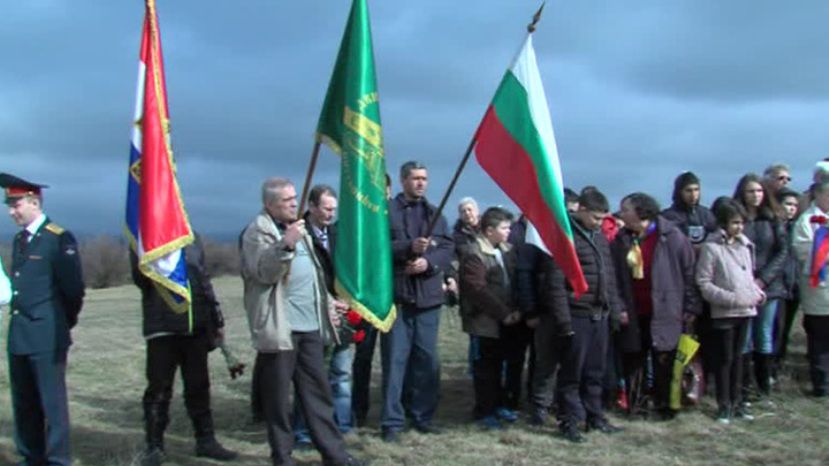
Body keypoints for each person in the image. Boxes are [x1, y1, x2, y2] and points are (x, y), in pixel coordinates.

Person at [240, 177, 362, 466]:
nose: (294, 204)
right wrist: (285, 245)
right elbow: (263, 273)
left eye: (295, 198)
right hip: (281, 329)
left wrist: (328, 303)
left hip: (309, 328)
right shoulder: (257, 232)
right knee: (279, 400)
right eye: (287, 200)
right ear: (269, 204)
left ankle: (335, 456)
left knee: (318, 395)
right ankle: (283, 457)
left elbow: (313, 276)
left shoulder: (300, 229)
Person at [131, 234, 238, 465]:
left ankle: (206, 441)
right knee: (159, 389)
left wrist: (216, 318)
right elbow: (141, 279)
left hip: (195, 326)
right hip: (162, 328)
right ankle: (154, 446)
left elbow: (203, 278)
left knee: (199, 387)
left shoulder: (192, 238)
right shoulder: (145, 236)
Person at [1, 173, 85, 466]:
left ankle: (58, 460)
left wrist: (60, 323)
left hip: (47, 335)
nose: (11, 211)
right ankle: (30, 458)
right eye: (8, 205)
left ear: (34, 202)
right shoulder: (19, 241)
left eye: (16, 204)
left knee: (52, 405)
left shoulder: (58, 238)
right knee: (24, 404)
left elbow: (73, 291)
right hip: (20, 335)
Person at [543, 188, 625, 442]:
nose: (600, 223)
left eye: (603, 219)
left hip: (599, 314)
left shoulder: (600, 238)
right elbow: (556, 283)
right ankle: (568, 421)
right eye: (595, 218)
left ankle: (594, 416)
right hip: (576, 314)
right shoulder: (565, 237)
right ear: (582, 210)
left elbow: (608, 276)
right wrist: (564, 320)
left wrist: (614, 309)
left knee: (595, 372)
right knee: (571, 373)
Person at [381, 161, 453, 442]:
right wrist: (407, 249)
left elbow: (447, 248)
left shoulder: (435, 214)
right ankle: (392, 422)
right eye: (415, 178)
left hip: (428, 300)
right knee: (395, 362)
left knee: (426, 361)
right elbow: (376, 247)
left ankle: (423, 416)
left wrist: (428, 263)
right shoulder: (387, 213)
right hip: (398, 300)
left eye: (424, 178)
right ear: (402, 180)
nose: (421, 183)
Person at [612, 192, 701, 420]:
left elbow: (689, 272)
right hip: (633, 311)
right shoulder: (622, 240)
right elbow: (613, 278)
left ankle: (665, 405)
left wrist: (690, 306)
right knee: (634, 360)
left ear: (641, 212)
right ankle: (637, 405)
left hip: (666, 309)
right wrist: (619, 306)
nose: (621, 214)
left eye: (626, 209)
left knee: (665, 361)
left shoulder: (671, 237)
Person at [293, 184, 354, 447]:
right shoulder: (299, 234)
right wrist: (326, 301)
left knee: (341, 374)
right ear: (312, 207)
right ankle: (304, 431)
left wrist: (345, 300)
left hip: (341, 314)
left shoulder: (338, 233)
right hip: (312, 315)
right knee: (311, 377)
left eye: (334, 209)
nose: (331, 214)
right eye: (326, 208)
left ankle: (341, 427)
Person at [696, 199, 765, 423]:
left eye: (742, 223)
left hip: (746, 310)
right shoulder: (711, 247)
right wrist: (729, 299)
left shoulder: (746, 245)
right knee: (724, 359)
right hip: (725, 313)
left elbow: (748, 275)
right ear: (724, 223)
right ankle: (723, 404)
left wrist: (757, 293)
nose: (739, 227)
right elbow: (704, 281)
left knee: (739, 358)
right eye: (735, 222)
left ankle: (738, 402)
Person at [458, 207, 519, 430]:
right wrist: (503, 313)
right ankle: (484, 410)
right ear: (490, 230)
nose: (509, 232)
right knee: (485, 368)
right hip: (484, 321)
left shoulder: (507, 250)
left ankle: (500, 403)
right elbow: (478, 290)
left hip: (508, 320)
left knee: (502, 365)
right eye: (504, 228)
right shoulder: (474, 253)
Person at [733, 173, 788, 399]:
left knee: (764, 335)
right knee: (745, 338)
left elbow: (782, 252)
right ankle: (743, 387)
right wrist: (747, 282)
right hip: (742, 285)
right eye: (750, 191)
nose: (756, 196)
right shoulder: (736, 220)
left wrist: (762, 280)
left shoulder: (773, 219)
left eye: (759, 191)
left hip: (769, 286)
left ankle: (764, 388)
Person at [792, 179, 829, 397]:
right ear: (819, 195)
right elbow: (804, 252)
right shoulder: (807, 222)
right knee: (820, 341)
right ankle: (822, 385)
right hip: (819, 291)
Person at [775, 187, 802, 364]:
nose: (791, 208)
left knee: (785, 330)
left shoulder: (797, 227)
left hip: (794, 285)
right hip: (776, 285)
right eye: (788, 204)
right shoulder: (773, 226)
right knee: (775, 328)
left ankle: (780, 363)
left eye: (794, 205)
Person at [661, 171, 717, 250]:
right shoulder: (668, 216)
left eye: (696, 190)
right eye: (688, 190)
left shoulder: (706, 214)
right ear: (679, 192)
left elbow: (715, 236)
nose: (693, 195)